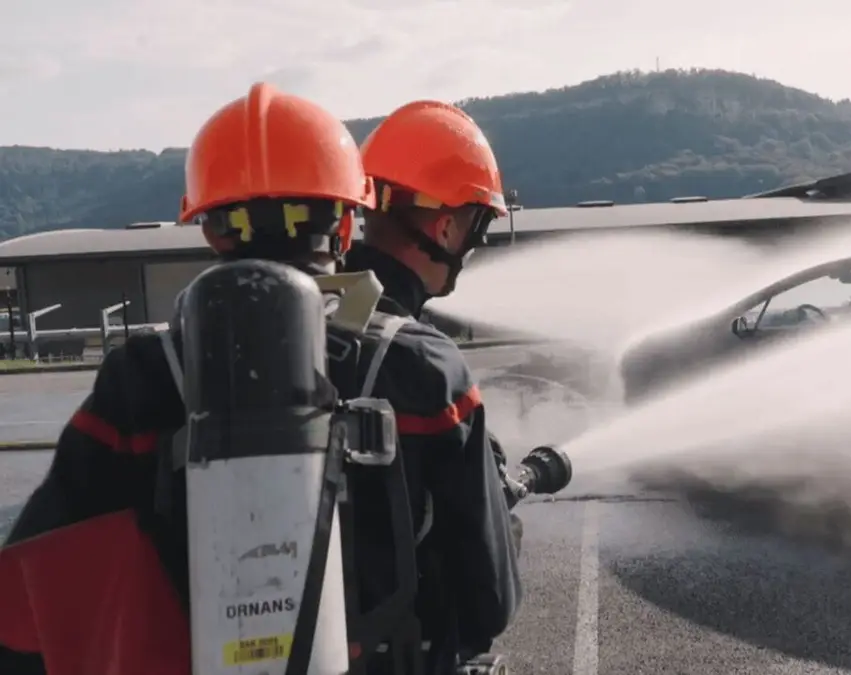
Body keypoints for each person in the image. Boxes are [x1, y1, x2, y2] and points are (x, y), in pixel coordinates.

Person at [0, 82, 444, 675]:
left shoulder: (136, 379)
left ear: (211, 229)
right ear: (345, 224)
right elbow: (487, 597)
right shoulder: (420, 364)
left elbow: (32, 586)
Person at [347, 100, 522, 674]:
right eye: (478, 224)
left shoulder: (276, 337)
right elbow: (487, 605)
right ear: (447, 226)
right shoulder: (424, 365)